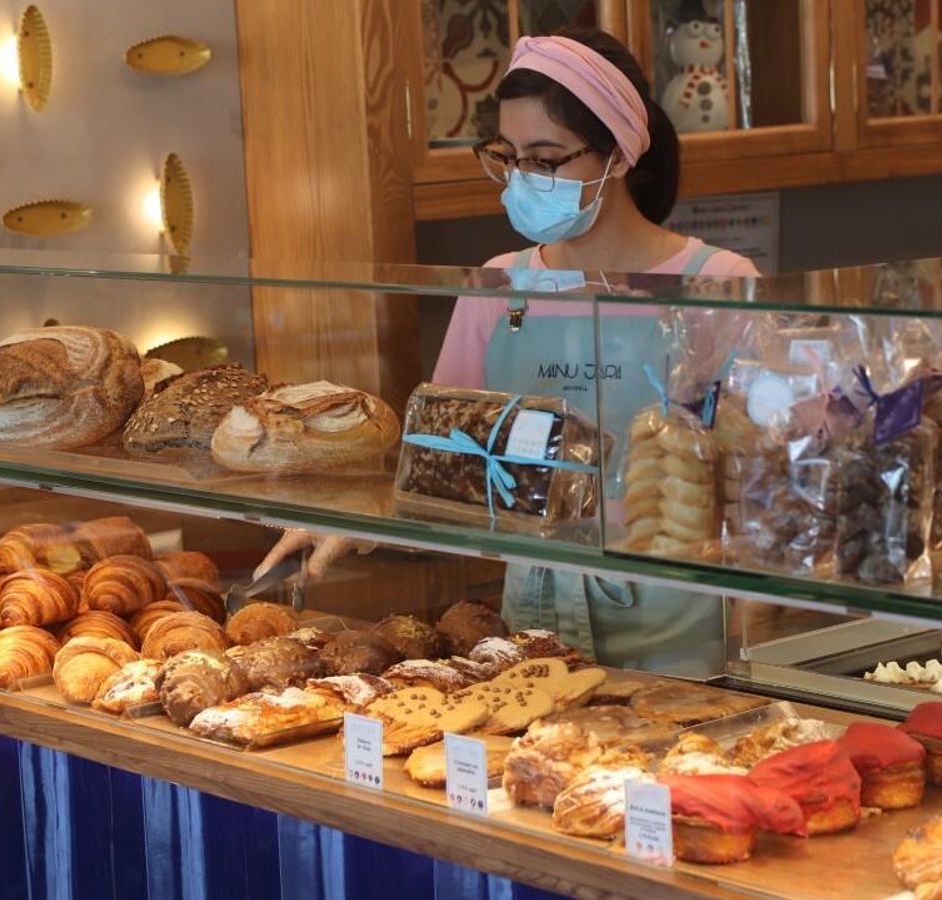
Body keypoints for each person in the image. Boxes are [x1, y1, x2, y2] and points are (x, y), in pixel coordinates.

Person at [256, 27, 759, 672]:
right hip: (534, 615)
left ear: (621, 155)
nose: (524, 179)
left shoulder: (719, 283)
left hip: (683, 615)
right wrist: (360, 518)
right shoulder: (501, 284)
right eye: (509, 156)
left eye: (547, 160)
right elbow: (444, 462)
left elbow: (760, 474)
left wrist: (760, 604)